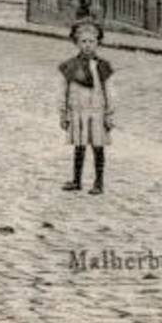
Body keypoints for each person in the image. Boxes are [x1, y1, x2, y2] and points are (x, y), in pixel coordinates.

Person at [58, 17, 114, 195]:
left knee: (98, 147)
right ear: (77, 43)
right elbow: (63, 92)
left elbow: (109, 92)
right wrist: (64, 113)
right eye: (83, 41)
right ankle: (76, 180)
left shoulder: (103, 66)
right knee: (79, 146)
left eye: (92, 41)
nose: (88, 45)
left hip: (97, 111)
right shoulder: (70, 66)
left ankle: (99, 182)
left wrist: (109, 114)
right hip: (78, 111)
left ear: (98, 43)